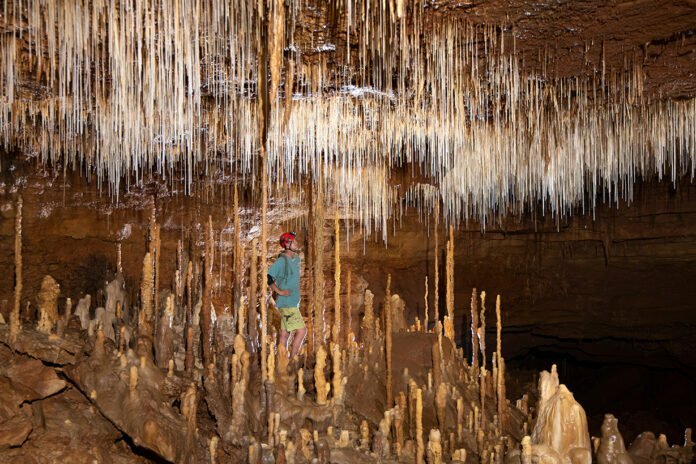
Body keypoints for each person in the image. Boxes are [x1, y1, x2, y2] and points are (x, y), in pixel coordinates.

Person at [267, 231, 306, 358]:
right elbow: (269, 277)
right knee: (301, 331)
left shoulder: (295, 259)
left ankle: (281, 361)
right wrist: (279, 291)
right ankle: (293, 360)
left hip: (292, 302)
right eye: (293, 241)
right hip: (287, 303)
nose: (296, 243)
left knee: (284, 334)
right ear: (287, 245)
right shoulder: (282, 261)